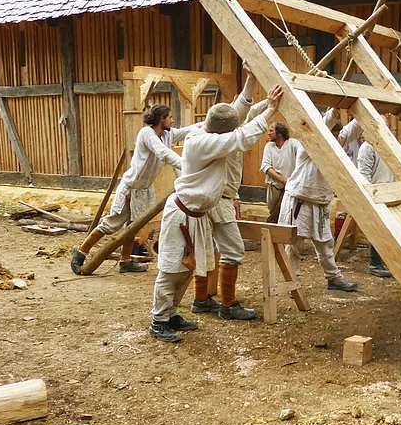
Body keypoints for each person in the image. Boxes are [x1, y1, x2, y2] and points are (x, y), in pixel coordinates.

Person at [70, 104, 198, 275]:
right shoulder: (147, 133)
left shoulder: (167, 134)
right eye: (170, 117)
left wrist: (217, 120)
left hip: (144, 189)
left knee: (134, 226)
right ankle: (80, 252)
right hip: (131, 188)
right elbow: (164, 154)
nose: (173, 120)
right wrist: (187, 167)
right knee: (112, 223)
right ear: (162, 119)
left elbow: (191, 129)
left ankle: (125, 261)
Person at [192, 65, 269, 318]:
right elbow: (247, 130)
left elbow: (244, 107)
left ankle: (201, 300)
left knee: (203, 250)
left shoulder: (212, 128)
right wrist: (274, 108)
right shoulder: (221, 141)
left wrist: (251, 76)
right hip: (218, 200)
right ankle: (228, 305)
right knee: (233, 250)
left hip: (208, 200)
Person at [278, 108, 361, 292]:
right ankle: (293, 283)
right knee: (294, 244)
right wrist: (333, 113)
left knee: (325, 243)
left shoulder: (335, 143)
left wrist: (366, 113)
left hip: (321, 201)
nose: (336, 137)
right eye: (333, 133)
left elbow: (352, 130)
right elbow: (320, 128)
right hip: (300, 200)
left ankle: (333, 278)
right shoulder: (308, 143)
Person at [356, 140, 394, 278]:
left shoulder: (388, 145)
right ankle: (375, 263)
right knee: (378, 229)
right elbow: (363, 174)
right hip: (377, 193)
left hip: (389, 191)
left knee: (389, 230)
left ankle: (385, 262)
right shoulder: (367, 147)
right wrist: (370, 195)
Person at [260, 121, 300, 224]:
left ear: (280, 133)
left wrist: (292, 180)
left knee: (287, 213)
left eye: (271, 130)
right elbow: (266, 166)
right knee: (273, 211)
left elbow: (303, 155)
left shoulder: (293, 144)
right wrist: (282, 179)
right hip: (274, 186)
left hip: (290, 186)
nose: (268, 133)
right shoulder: (269, 147)